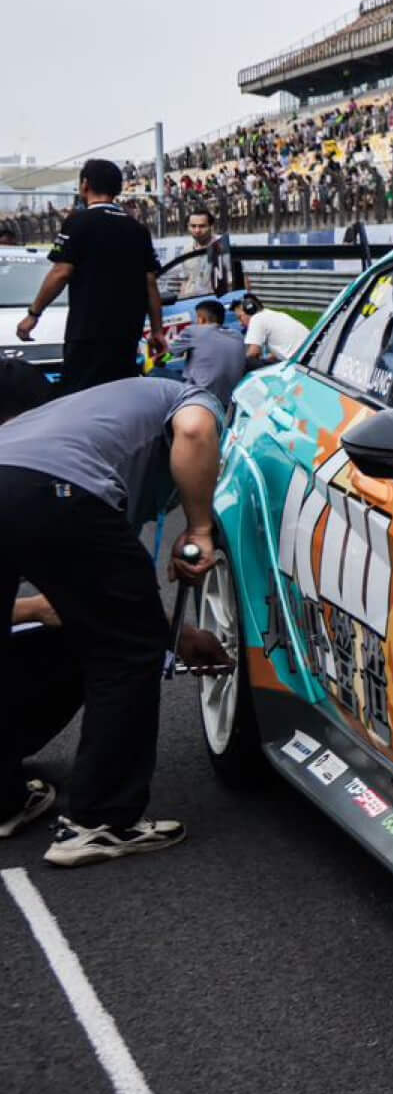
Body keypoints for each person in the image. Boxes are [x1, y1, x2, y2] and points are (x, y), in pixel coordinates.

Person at [0, 360, 222, 866]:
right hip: (54, 492)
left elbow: (105, 595)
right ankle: (100, 820)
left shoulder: (81, 423)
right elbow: (195, 429)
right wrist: (199, 527)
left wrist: (168, 632)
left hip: (30, 488)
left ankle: (4, 799)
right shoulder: (187, 397)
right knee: (124, 653)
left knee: (105, 632)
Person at [16, 159, 163, 392]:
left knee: (81, 398)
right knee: (119, 395)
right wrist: (157, 331)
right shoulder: (137, 229)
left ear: (85, 184)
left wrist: (34, 314)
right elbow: (150, 283)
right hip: (127, 335)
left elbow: (61, 272)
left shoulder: (78, 221)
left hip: (87, 333)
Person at [179, 298, 247, 408]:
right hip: (229, 399)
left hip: (199, 398)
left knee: (157, 373)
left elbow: (171, 351)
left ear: (201, 319)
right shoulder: (238, 336)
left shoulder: (194, 331)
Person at [236, 293, 310, 368]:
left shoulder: (256, 318)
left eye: (240, 317)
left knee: (248, 362)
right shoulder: (274, 315)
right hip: (308, 356)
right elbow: (280, 348)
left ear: (249, 311)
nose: (240, 323)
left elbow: (252, 353)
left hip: (297, 362)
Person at [182, 209, 244, 296]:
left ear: (211, 226)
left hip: (217, 301)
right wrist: (181, 299)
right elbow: (186, 280)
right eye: (193, 226)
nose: (197, 230)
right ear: (188, 227)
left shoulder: (225, 247)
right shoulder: (187, 251)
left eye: (202, 226)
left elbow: (242, 280)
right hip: (191, 301)